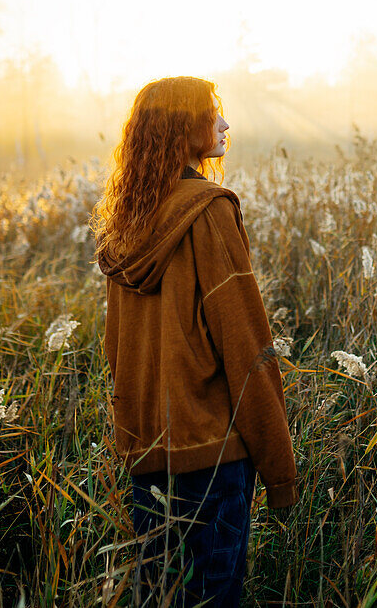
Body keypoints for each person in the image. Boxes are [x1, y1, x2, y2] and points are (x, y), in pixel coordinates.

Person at [91, 76, 297, 606]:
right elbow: (246, 345)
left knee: (157, 596)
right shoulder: (210, 209)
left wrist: (136, 439)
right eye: (213, 113)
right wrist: (280, 469)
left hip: (147, 452)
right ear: (184, 129)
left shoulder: (126, 219)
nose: (225, 124)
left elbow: (115, 349)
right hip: (213, 457)